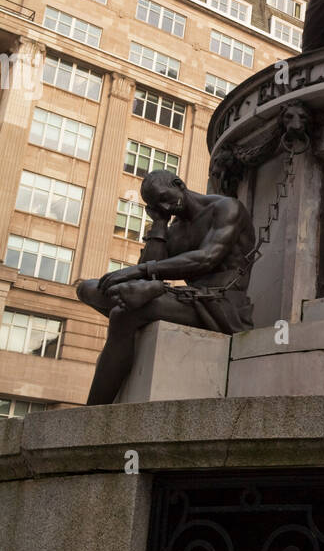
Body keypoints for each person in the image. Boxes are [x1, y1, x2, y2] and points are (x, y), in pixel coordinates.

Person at [76, 171, 254, 405]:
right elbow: (148, 272)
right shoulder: (176, 229)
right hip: (188, 299)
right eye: (155, 205)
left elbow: (206, 258)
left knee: (124, 314)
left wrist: (141, 272)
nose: (164, 205)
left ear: (179, 184)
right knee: (86, 288)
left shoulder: (226, 208)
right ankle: (147, 295)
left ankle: (94, 410)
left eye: (163, 197)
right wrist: (159, 224)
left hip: (222, 306)